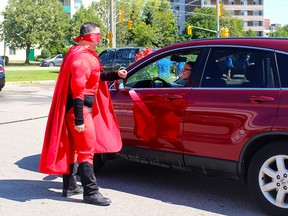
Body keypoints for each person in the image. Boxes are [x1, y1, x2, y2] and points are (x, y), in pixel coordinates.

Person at [39, 22, 127, 206]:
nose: (100, 38)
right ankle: (91, 192)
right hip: (79, 111)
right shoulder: (82, 59)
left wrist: (116, 75)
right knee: (87, 152)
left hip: (76, 110)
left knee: (73, 149)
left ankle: (70, 186)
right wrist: (80, 119)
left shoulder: (79, 54)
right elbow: (77, 92)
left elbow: (97, 76)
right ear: (88, 36)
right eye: (98, 35)